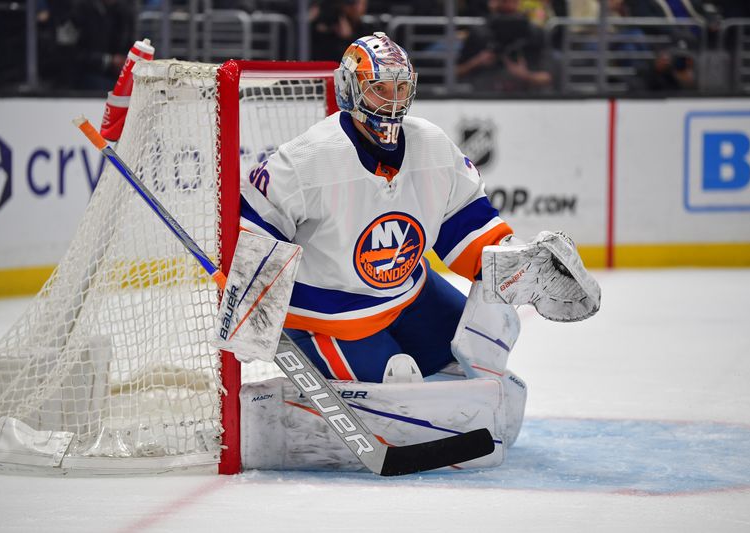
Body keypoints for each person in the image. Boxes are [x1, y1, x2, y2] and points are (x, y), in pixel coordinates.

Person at [239, 33, 598, 453]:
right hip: (329, 316)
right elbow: (253, 231)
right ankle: (293, 420)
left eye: (401, 88)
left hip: (408, 294)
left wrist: (522, 266)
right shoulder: (307, 159)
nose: (392, 101)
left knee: (474, 362)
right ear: (351, 90)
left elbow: (467, 227)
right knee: (400, 388)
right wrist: (251, 305)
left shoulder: (431, 145)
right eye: (379, 88)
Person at [457, 0, 553, 93]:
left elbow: (549, 78)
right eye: (505, 1)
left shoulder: (534, 34)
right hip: (484, 98)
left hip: (525, 98)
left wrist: (525, 75)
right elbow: (455, 72)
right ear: (493, 3)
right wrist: (477, 62)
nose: (509, 4)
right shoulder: (479, 33)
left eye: (513, 1)